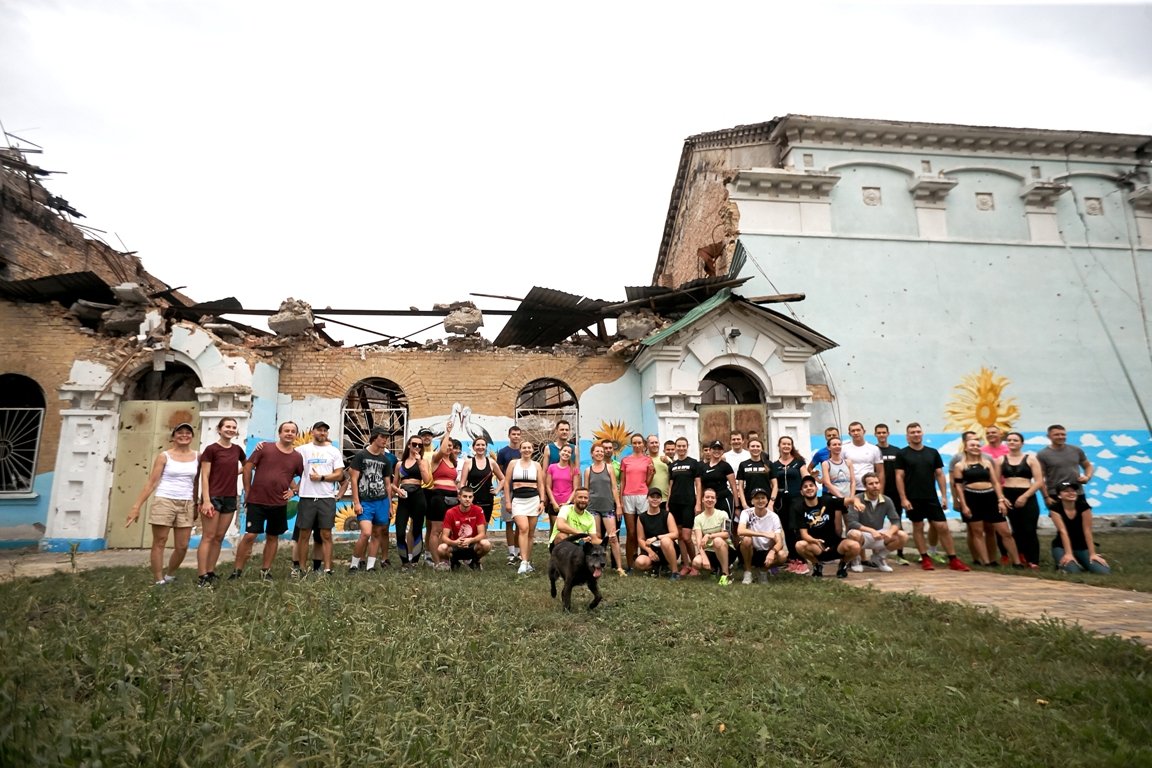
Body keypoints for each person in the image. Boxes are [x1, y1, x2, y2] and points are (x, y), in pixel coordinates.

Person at [126, 422, 199, 586]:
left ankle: (170, 574)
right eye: (180, 432)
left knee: (182, 545)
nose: (184, 435)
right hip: (164, 500)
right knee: (160, 541)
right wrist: (136, 507)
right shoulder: (164, 456)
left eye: (188, 432)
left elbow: (196, 483)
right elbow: (151, 483)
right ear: (173, 436)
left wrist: (196, 504)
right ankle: (159, 579)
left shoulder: (197, 456)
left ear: (192, 437)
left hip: (186, 502)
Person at [231, 421, 304, 580]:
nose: (289, 433)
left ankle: (266, 570)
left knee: (272, 536)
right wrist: (248, 491)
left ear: (296, 435)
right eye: (286, 430)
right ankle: (237, 571)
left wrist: (294, 491)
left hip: (279, 503)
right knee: (250, 535)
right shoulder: (264, 448)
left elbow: (304, 477)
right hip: (257, 500)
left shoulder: (297, 457)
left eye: (293, 431)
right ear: (279, 433)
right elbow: (248, 467)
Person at [895, 423, 970, 572]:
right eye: (912, 432)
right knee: (918, 526)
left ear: (922, 434)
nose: (916, 434)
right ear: (907, 436)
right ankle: (925, 558)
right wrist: (903, 498)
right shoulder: (902, 454)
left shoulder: (932, 452)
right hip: (913, 497)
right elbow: (899, 476)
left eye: (918, 431)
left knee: (942, 526)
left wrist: (944, 496)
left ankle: (953, 559)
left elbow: (940, 474)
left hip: (931, 497)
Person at [953, 435, 1022, 568]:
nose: (975, 447)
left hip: (990, 497)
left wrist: (1000, 499)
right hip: (971, 498)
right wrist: (964, 505)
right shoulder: (960, 465)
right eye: (972, 445)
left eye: (978, 445)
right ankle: (986, 562)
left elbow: (995, 482)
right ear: (966, 448)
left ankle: (1017, 562)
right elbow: (959, 487)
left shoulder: (987, 463)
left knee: (1005, 531)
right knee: (977, 532)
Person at [196, 417, 246, 587]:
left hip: (230, 497)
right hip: (213, 497)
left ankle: (211, 571)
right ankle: (202, 575)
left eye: (233, 427)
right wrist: (206, 500)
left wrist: (235, 473)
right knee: (208, 537)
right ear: (219, 429)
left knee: (218, 537)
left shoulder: (237, 450)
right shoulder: (211, 450)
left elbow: (247, 466)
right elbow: (205, 476)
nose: (230, 429)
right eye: (227, 427)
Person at [293, 421, 345, 576]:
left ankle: (328, 568)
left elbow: (339, 474)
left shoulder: (333, 451)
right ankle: (302, 569)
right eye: (319, 430)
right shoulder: (302, 450)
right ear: (313, 432)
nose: (322, 433)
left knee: (326, 534)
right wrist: (293, 487)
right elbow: (286, 464)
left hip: (326, 497)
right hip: (307, 497)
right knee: (304, 534)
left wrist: (321, 477)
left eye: (325, 431)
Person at [795, 475, 862, 579]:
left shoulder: (827, 500)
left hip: (835, 544)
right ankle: (817, 564)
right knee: (800, 545)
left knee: (855, 546)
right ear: (801, 492)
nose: (809, 488)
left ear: (816, 488)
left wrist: (857, 503)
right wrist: (815, 541)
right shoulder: (799, 508)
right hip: (816, 546)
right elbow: (804, 534)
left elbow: (851, 500)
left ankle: (843, 564)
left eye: (811, 485)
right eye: (805, 487)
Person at [347, 426, 394, 572]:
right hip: (365, 500)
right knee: (366, 532)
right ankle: (354, 564)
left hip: (381, 501)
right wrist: (356, 502)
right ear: (374, 437)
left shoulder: (385, 460)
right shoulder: (361, 456)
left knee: (377, 533)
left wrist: (390, 505)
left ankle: (370, 566)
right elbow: (353, 480)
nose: (385, 440)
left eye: (386, 437)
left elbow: (388, 484)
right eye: (382, 437)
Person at [846, 472, 907, 572]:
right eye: (871, 484)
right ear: (865, 486)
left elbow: (896, 521)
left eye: (877, 483)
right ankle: (856, 559)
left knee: (902, 535)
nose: (875, 486)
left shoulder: (887, 500)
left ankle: (879, 557)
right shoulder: (857, 499)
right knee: (854, 533)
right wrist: (871, 531)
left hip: (879, 534)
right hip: (862, 534)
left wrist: (889, 532)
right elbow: (852, 523)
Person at [1001, 431, 1045, 568]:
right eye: (1009, 440)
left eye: (1015, 440)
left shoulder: (1031, 459)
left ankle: (1033, 560)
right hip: (1008, 494)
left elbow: (1039, 481)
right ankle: (1020, 556)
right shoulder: (1001, 460)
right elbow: (996, 481)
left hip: (1027, 494)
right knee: (1016, 528)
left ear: (1021, 443)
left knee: (1029, 529)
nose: (1012, 442)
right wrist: (1001, 498)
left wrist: (1025, 496)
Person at [767, 436, 810, 575]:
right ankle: (792, 559)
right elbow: (772, 483)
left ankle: (801, 561)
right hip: (781, 502)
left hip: (796, 500)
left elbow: (806, 478)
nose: (786, 446)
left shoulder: (798, 462)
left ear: (791, 446)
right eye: (783, 444)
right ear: (779, 446)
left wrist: (807, 493)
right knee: (786, 529)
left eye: (788, 444)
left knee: (795, 529)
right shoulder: (774, 465)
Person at [1050, 481, 1110, 574]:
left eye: (1073, 491)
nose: (1071, 493)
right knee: (1073, 572)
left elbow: (1087, 531)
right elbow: (1063, 532)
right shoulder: (1055, 509)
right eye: (1066, 491)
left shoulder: (1083, 506)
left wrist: (1092, 553)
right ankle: (1062, 564)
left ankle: (1081, 561)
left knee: (1104, 572)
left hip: (1081, 546)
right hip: (1061, 546)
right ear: (1059, 495)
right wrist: (1068, 554)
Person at [504, 439, 545, 574]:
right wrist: (508, 501)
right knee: (523, 528)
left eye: (529, 448)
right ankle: (522, 562)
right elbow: (506, 483)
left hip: (533, 499)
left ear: (532, 450)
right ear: (520, 450)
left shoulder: (537, 465)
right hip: (518, 500)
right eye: (524, 447)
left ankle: (526, 560)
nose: (527, 450)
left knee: (530, 533)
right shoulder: (513, 464)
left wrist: (542, 501)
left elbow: (540, 485)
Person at [584, 443, 626, 576]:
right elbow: (586, 490)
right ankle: (597, 566)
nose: (600, 453)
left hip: (608, 508)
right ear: (592, 454)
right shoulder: (587, 470)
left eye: (602, 451)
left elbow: (614, 488)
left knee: (613, 538)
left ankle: (619, 567)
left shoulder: (609, 468)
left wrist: (618, 505)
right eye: (597, 451)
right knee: (597, 538)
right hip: (593, 508)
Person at [874, 423, 910, 564]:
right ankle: (877, 552)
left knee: (897, 521)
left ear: (888, 433)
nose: (882, 435)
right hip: (878, 492)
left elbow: (902, 473)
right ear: (875, 434)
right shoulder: (873, 450)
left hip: (895, 492)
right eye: (879, 433)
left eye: (884, 432)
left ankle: (900, 555)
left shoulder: (897, 451)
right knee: (876, 521)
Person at [427, 419, 460, 570]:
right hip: (439, 496)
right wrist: (448, 432)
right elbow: (441, 449)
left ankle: (446, 558)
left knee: (449, 530)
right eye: (446, 445)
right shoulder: (436, 459)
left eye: (451, 447)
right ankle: (436, 561)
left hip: (453, 497)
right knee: (436, 530)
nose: (448, 448)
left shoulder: (454, 462)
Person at [393, 434, 431, 568]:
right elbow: (393, 484)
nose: (417, 447)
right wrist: (397, 490)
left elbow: (427, 480)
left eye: (420, 445)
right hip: (404, 497)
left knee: (417, 530)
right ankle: (404, 562)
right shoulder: (399, 464)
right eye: (414, 444)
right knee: (400, 531)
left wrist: (420, 462)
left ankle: (414, 562)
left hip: (418, 495)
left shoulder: (423, 461)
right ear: (409, 445)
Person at [735, 488, 787, 584]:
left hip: (766, 552)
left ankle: (763, 571)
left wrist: (772, 552)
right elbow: (740, 531)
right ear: (752, 501)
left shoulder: (774, 516)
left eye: (763, 498)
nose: (760, 501)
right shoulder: (746, 513)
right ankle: (748, 572)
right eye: (757, 498)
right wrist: (763, 534)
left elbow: (779, 541)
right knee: (746, 539)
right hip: (751, 550)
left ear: (767, 500)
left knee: (782, 555)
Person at [1038, 425, 1094, 513]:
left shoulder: (1076, 450)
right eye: (1056, 435)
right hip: (1055, 494)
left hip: (1077, 493)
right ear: (1048, 436)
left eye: (1063, 434)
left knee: (1082, 523)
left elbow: (1088, 466)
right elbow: (1040, 478)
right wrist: (1046, 497)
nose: (1061, 437)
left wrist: (1087, 477)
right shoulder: (1042, 454)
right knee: (1061, 524)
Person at [667, 436, 702, 576]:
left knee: (687, 537)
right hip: (675, 503)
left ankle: (695, 564)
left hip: (688, 503)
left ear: (687, 447)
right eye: (679, 446)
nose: (681, 448)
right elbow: (670, 486)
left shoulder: (694, 464)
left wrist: (698, 503)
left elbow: (698, 484)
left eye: (683, 446)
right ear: (675, 448)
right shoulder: (672, 465)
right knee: (679, 536)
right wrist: (668, 503)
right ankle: (686, 565)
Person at [620, 433, 654, 571]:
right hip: (628, 496)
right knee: (631, 532)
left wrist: (651, 474)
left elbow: (648, 482)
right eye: (634, 443)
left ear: (643, 444)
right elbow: (622, 481)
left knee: (643, 532)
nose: (637, 445)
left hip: (642, 496)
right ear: (631, 444)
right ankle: (630, 564)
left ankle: (644, 561)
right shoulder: (625, 460)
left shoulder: (648, 460)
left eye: (640, 443)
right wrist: (621, 498)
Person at [438, 487, 492, 571]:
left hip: (472, 545)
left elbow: (482, 534)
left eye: (470, 497)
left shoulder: (478, 510)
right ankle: (454, 561)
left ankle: (475, 561)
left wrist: (471, 540)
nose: (467, 499)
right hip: (456, 545)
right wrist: (454, 542)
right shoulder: (450, 512)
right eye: (465, 496)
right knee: (441, 548)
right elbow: (444, 537)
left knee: (486, 544)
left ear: (473, 498)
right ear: (459, 497)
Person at [633, 488, 681, 579]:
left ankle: (675, 572)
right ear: (647, 499)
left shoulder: (667, 515)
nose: (655, 499)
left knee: (665, 541)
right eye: (652, 497)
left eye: (658, 497)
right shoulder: (641, 517)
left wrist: (656, 537)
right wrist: (649, 551)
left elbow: (675, 534)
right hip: (651, 548)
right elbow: (640, 539)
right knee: (640, 562)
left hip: (667, 548)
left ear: (661, 500)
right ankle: (657, 567)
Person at [692, 488, 734, 584]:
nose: (710, 500)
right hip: (709, 551)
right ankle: (714, 569)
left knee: (718, 540)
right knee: (696, 562)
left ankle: (726, 574)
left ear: (715, 500)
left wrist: (709, 536)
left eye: (712, 498)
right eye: (707, 497)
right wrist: (704, 556)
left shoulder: (723, 514)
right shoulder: (698, 518)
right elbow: (699, 540)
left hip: (726, 549)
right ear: (702, 499)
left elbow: (726, 534)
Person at [460, 437, 504, 527]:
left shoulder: (491, 462)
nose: (480, 447)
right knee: (470, 527)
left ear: (486, 447)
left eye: (483, 445)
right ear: (474, 447)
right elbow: (462, 483)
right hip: (471, 501)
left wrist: (497, 490)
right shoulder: (468, 462)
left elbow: (503, 479)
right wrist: (464, 498)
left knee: (483, 527)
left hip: (487, 500)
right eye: (478, 445)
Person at [496, 425, 524, 565]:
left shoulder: (524, 451)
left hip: (522, 492)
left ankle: (519, 551)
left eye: (518, 434)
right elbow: (500, 473)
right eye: (514, 434)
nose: (516, 436)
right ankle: (511, 552)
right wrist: (502, 488)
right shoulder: (503, 452)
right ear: (509, 435)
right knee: (509, 523)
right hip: (508, 491)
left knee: (520, 524)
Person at [842, 421, 884, 493]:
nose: (856, 433)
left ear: (864, 431)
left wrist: (880, 492)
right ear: (849, 433)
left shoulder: (874, 449)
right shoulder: (843, 449)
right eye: (853, 431)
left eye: (858, 430)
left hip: (870, 488)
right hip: (850, 489)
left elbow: (880, 472)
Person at [545, 443, 578, 533]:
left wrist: (567, 503)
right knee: (555, 530)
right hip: (554, 504)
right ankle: (552, 547)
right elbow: (548, 486)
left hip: (568, 505)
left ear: (571, 455)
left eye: (569, 452)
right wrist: (554, 503)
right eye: (564, 451)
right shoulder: (552, 467)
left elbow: (575, 488)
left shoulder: (574, 469)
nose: (566, 453)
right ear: (560, 452)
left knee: (566, 531)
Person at [701, 439, 737, 519]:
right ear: (710, 450)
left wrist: (737, 506)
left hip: (724, 499)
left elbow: (733, 486)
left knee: (726, 526)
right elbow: (701, 486)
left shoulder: (726, 466)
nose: (717, 451)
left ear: (722, 451)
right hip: (709, 501)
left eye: (719, 449)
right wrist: (700, 503)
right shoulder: (703, 467)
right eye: (714, 449)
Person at [820, 436, 855, 515]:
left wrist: (851, 498)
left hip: (848, 497)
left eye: (839, 444)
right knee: (838, 525)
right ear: (829, 447)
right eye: (834, 444)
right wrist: (842, 499)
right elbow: (827, 483)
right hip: (835, 498)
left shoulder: (848, 462)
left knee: (850, 523)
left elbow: (853, 481)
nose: (837, 446)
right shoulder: (826, 464)